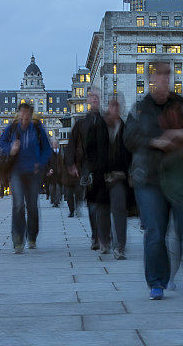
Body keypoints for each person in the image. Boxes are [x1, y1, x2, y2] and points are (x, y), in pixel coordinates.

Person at [124, 61, 183, 300]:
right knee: (155, 231)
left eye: (166, 76)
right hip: (149, 178)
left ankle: (169, 272)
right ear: (150, 79)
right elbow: (129, 137)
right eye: (158, 76)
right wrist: (155, 141)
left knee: (182, 232)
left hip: (179, 178)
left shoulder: (181, 105)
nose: (163, 80)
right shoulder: (140, 109)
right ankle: (157, 282)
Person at [0, 102, 52, 254]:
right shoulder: (13, 128)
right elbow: (1, 142)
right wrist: (11, 149)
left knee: (32, 206)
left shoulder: (37, 129)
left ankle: (32, 236)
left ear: (31, 114)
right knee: (18, 204)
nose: (25, 116)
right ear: (19, 113)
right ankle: (18, 239)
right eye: (22, 112)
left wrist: (39, 163)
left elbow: (47, 150)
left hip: (33, 173)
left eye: (27, 113)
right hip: (17, 171)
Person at [66, 90, 111, 252]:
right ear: (88, 102)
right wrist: (71, 163)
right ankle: (95, 235)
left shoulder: (105, 121)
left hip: (104, 166)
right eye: (92, 98)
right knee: (92, 204)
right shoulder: (81, 123)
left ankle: (105, 235)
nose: (94, 101)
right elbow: (71, 144)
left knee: (104, 203)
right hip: (87, 166)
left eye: (97, 98)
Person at [103, 96, 131, 260]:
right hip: (102, 176)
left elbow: (130, 152)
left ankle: (120, 245)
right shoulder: (100, 127)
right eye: (112, 106)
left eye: (117, 106)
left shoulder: (125, 128)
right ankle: (103, 239)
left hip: (119, 176)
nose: (114, 109)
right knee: (101, 210)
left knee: (119, 209)